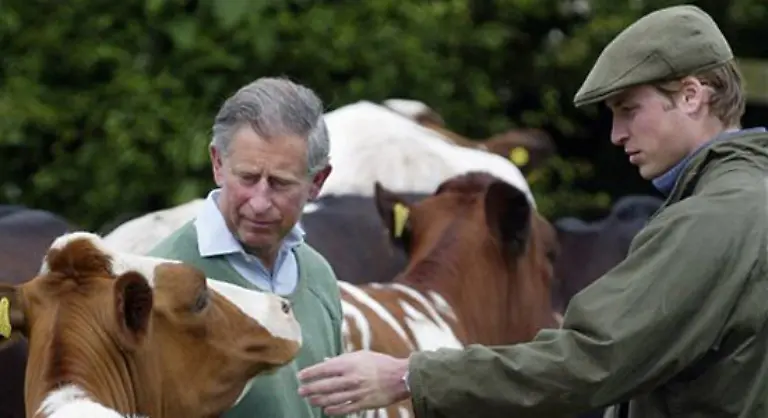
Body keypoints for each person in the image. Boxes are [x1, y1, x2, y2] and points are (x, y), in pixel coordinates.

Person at [295, 5, 768, 417]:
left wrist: (408, 376)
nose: (616, 135)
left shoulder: (712, 219)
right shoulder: (747, 199)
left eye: (629, 110)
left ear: (691, 95)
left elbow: (592, 359)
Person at [148, 77, 344, 418]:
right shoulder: (161, 280)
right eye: (248, 178)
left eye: (281, 184)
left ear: (317, 182)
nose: (260, 203)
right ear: (218, 164)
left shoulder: (319, 277)